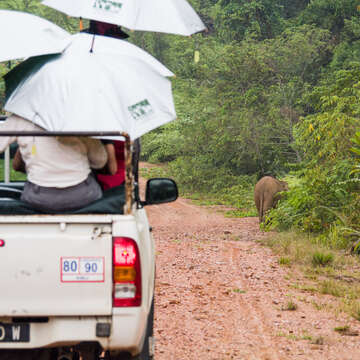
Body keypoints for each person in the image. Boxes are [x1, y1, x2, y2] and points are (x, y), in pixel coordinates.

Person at [1, 114, 107, 212]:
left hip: (38, 198)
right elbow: (100, 162)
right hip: (83, 195)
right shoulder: (79, 119)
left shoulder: (21, 117)